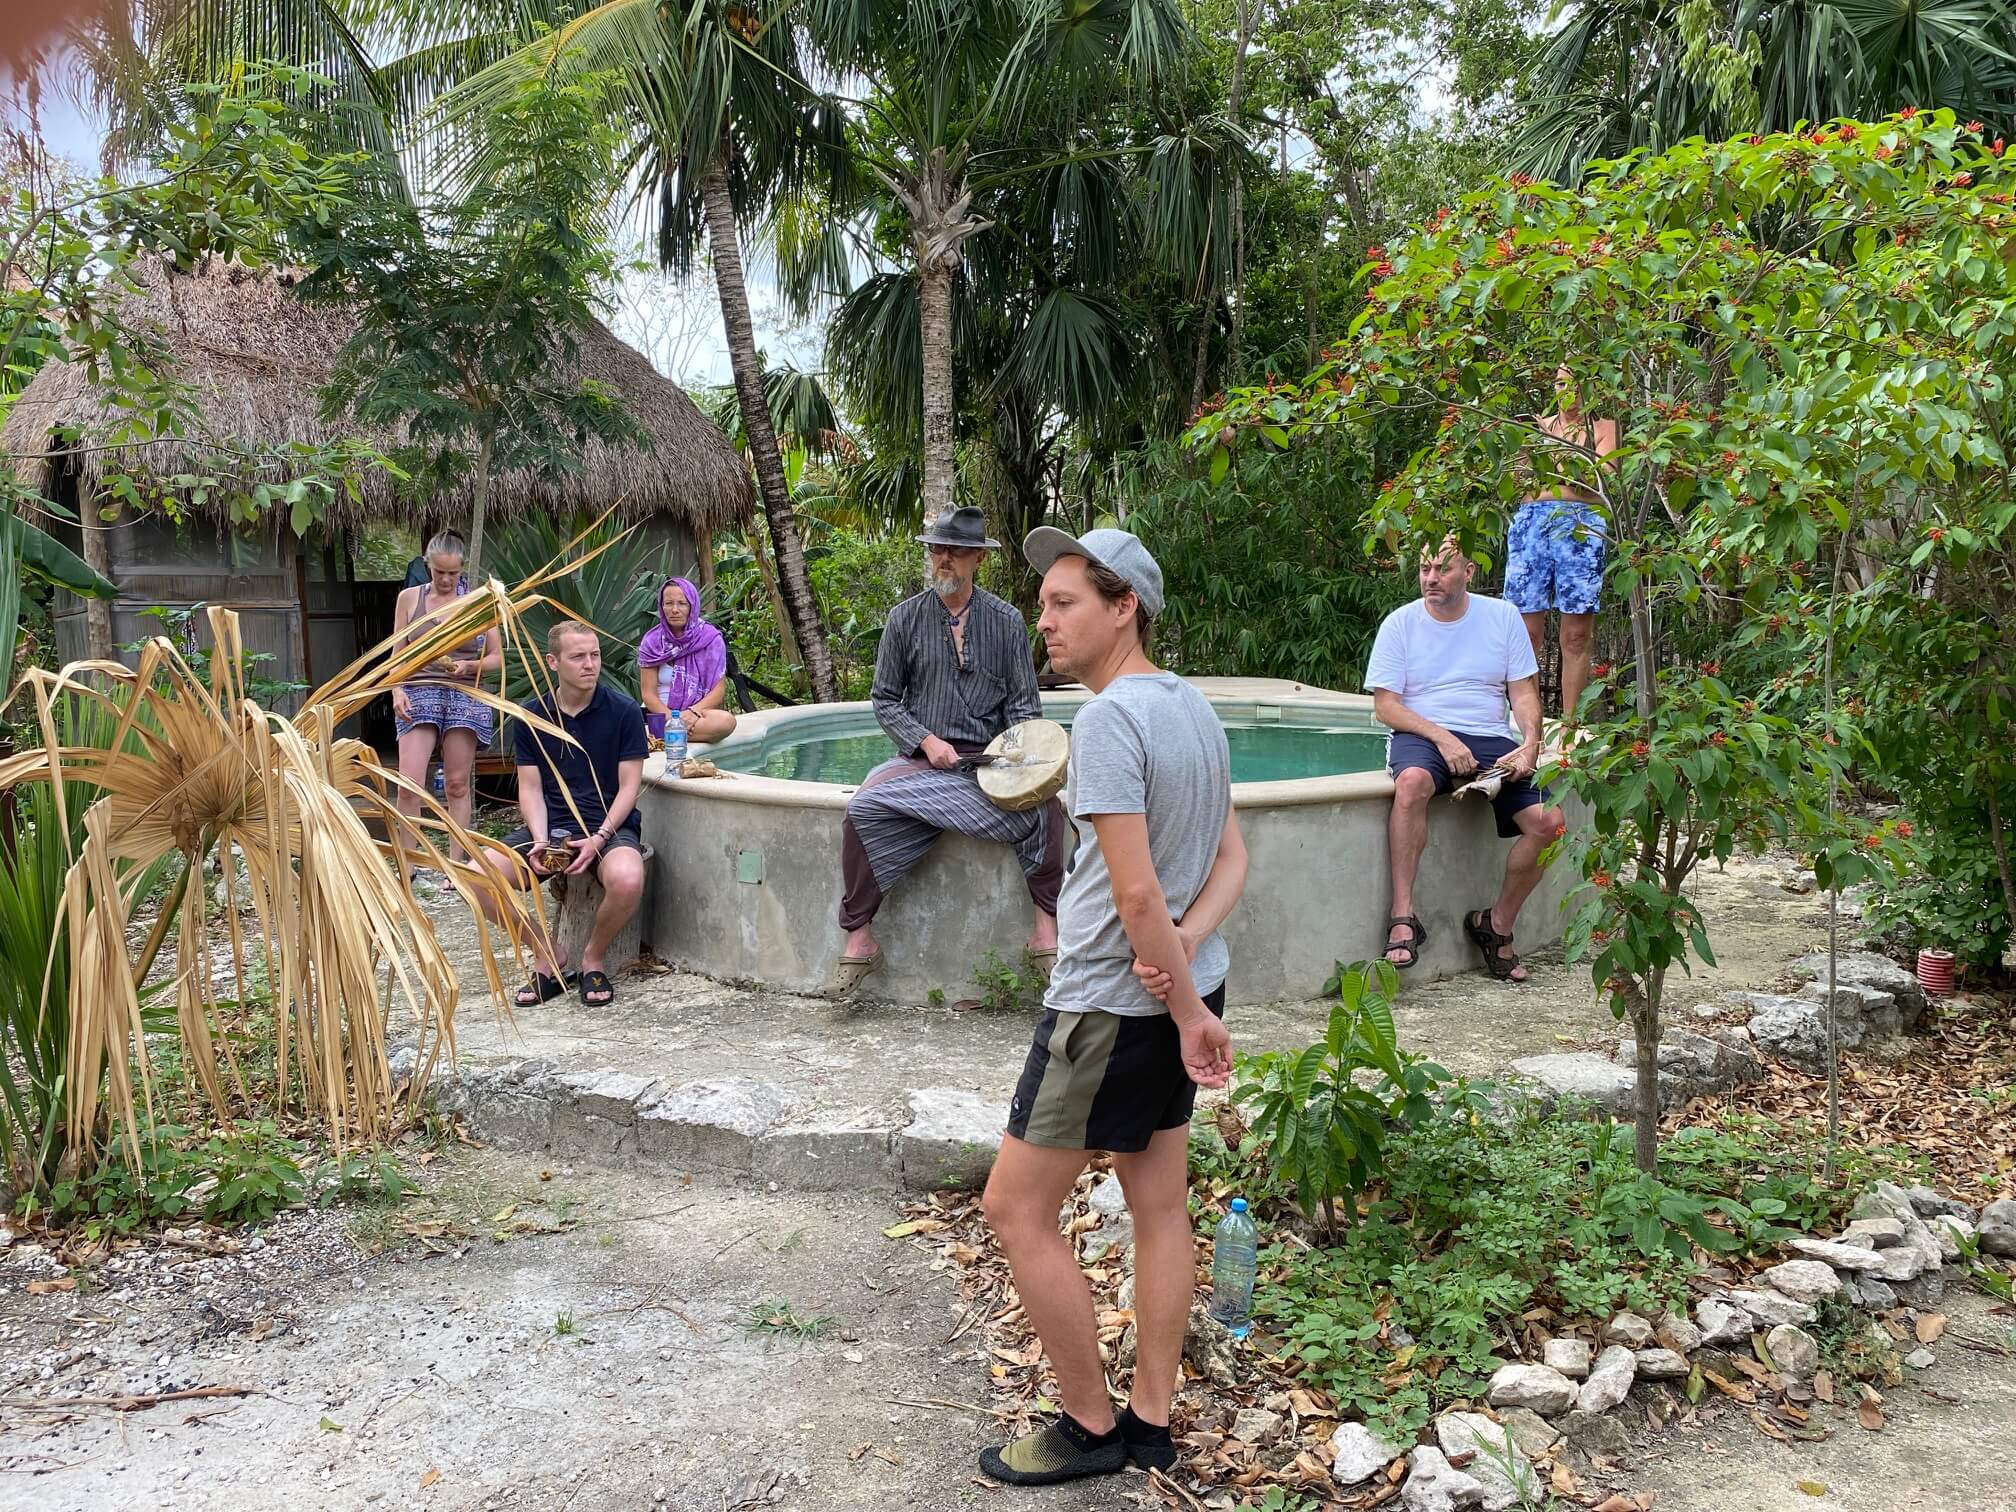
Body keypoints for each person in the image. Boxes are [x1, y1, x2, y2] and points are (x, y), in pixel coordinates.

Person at [977, 527, 1247, 1487]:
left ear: (1123, 605)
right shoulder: (1196, 710)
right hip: (1179, 987)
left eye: (1064, 603)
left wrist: (1175, 1002)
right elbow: (1231, 864)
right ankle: (1152, 1421)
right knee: (1160, 1202)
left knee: (1014, 1207)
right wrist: (1188, 972)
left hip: (1108, 1004)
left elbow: (1135, 901)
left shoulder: (1110, 724)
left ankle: (1091, 1430)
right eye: (1044, 603)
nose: (1043, 621)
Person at [830, 505, 1064, 996]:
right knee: (863, 808)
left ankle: (1047, 930)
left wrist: (1013, 763)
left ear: (978, 558)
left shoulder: (1006, 622)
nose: (943, 560)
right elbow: (885, 700)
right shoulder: (904, 619)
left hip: (990, 765)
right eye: (936, 549)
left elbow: (1024, 707)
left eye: (954, 551)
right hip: (921, 763)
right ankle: (859, 936)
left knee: (1047, 809)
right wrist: (926, 741)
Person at [1366, 539, 1563, 983]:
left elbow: (1523, 692)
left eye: (1442, 568)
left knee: (1551, 823)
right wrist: (1443, 737)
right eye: (1423, 569)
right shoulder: (1400, 624)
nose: (1430, 579)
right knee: (1412, 782)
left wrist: (1531, 741)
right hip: (1423, 731)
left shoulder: (1502, 617)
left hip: (1493, 738)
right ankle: (1403, 917)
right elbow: (1387, 707)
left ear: (1469, 572)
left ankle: (1496, 926)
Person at [475, 620, 649, 1010]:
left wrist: (600, 837)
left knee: (627, 877)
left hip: (607, 825)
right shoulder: (533, 716)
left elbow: (629, 788)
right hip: (550, 827)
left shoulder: (623, 712)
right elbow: (531, 789)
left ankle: (593, 957)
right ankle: (548, 955)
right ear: (553, 661)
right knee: (475, 875)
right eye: (578, 657)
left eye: (595, 655)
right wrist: (539, 838)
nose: (590, 664)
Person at [1506, 367, 1618, 723]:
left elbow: (1603, 480)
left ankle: (1571, 725)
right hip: (1531, 527)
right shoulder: (1534, 426)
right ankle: (1530, 723)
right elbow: (1519, 482)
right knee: (1526, 632)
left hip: (1582, 528)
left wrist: (1550, 463)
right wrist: (1570, 472)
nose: (1568, 392)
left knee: (1576, 633)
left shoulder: (1604, 428)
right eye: (1560, 384)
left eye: (1576, 384)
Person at [391, 531, 499, 870]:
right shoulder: (409, 599)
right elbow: (395, 653)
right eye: (440, 572)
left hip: (464, 691)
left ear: (462, 568)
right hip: (419, 688)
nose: (447, 579)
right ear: (428, 566)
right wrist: (396, 690)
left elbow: (497, 658)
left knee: (455, 783)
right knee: (409, 784)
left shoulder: (480, 601)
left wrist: (471, 664)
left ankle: (456, 865)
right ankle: (409, 864)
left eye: (453, 573)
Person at [637, 576, 737, 745]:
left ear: (693, 606)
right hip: (660, 715)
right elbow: (648, 694)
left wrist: (692, 713)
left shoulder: (710, 638)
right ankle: (669, 733)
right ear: (661, 607)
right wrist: (673, 720)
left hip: (696, 715)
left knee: (726, 722)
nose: (674, 610)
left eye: (682, 603)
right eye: (668, 603)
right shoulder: (652, 641)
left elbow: (718, 691)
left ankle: (661, 737)